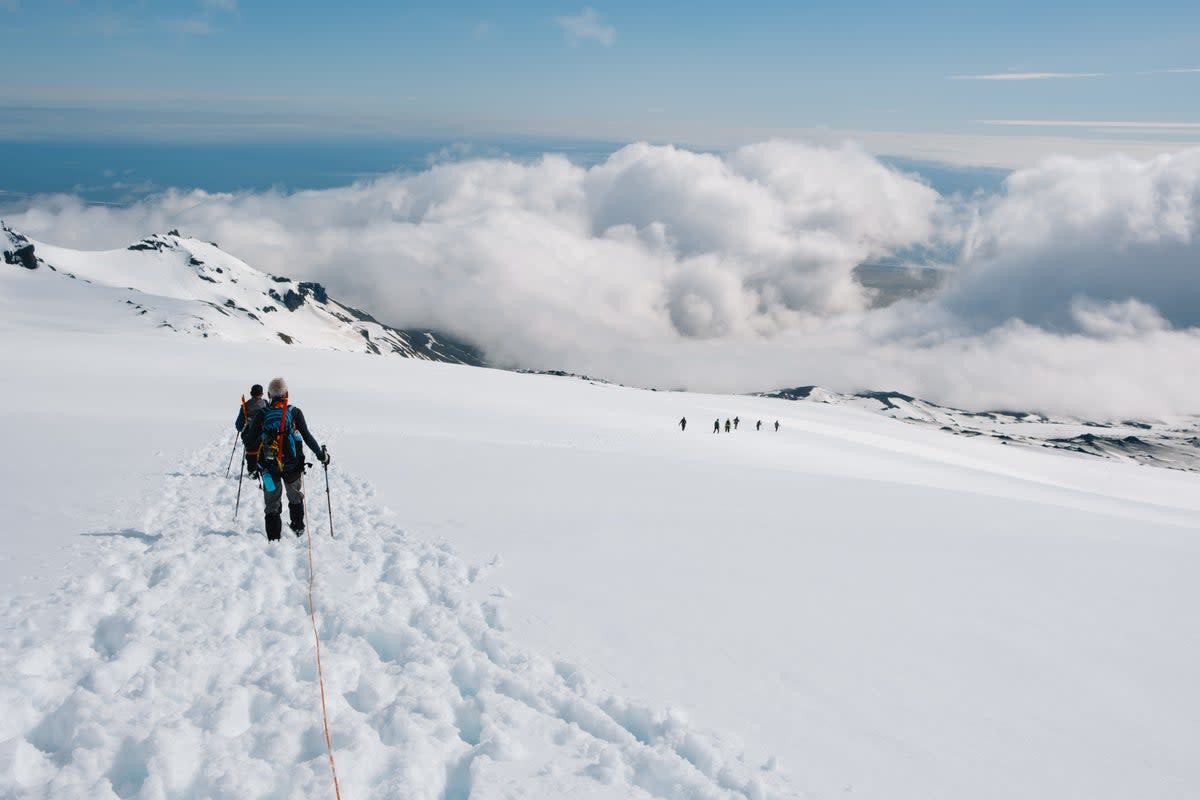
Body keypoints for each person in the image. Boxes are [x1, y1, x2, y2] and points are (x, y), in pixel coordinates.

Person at [246, 377, 330, 540]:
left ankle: (273, 538)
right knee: (295, 495)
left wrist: (254, 463)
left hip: (269, 468)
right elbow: (306, 436)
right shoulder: (294, 412)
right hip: (293, 465)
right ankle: (297, 528)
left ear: (269, 394)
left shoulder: (262, 414)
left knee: (272, 502)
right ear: (287, 394)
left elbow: (250, 442)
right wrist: (321, 455)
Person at [235, 384, 269, 476]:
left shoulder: (244, 406)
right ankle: (264, 471)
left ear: (251, 393)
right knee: (263, 453)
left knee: (251, 452)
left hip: (249, 434)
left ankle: (252, 471)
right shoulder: (266, 404)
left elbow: (239, 426)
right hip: (263, 434)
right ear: (262, 394)